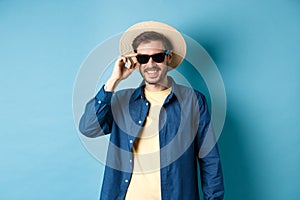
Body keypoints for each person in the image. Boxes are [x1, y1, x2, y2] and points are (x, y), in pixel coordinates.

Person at [79, 21, 224, 200]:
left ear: (168, 58)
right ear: (136, 62)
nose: (150, 64)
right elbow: (88, 128)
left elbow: (209, 159)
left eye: (157, 57)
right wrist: (113, 81)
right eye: (143, 58)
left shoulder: (193, 101)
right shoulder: (120, 100)